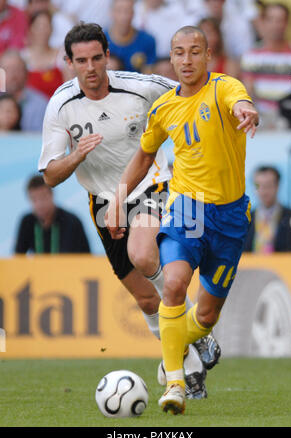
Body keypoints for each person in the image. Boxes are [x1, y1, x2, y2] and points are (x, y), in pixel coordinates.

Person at [38, 22, 220, 399]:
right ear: (68, 62)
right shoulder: (61, 105)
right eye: (81, 61)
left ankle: (194, 338)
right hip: (103, 203)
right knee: (146, 300)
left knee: (141, 252)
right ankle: (186, 364)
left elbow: (192, 93)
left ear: (107, 56)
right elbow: (51, 176)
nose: (90, 68)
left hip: (151, 184)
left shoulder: (140, 87)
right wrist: (76, 155)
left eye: (96, 58)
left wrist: (231, 106)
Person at [107, 25, 259, 414]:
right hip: (188, 208)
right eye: (179, 52)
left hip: (230, 216)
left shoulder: (224, 87)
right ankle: (176, 384)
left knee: (206, 315)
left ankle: (173, 351)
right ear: (171, 58)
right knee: (173, 284)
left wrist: (247, 110)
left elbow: (239, 100)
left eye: (195, 51)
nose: (187, 59)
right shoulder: (163, 108)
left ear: (208, 56)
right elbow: (143, 156)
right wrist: (117, 200)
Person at [241, 2, 291, 129]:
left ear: (287, 23)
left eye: (280, 20)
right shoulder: (251, 55)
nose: (276, 25)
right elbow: (248, 93)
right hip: (260, 118)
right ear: (263, 22)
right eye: (271, 19)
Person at [15, 175, 90, 254]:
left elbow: (86, 258)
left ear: (52, 195)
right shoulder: (27, 222)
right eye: (34, 199)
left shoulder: (72, 222)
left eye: (43, 197)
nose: (39, 204)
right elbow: (18, 258)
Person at [244, 166, 291, 253]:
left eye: (268, 185)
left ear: (277, 186)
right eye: (258, 186)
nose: (263, 190)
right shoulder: (245, 219)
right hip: (252, 266)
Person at [0, 49, 48, 131]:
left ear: (26, 73)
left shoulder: (41, 104)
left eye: (17, 70)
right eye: (7, 70)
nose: (13, 75)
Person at [105, 0, 157, 73]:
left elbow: (149, 75)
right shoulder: (100, 40)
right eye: (119, 11)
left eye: (128, 11)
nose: (124, 16)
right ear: (111, 13)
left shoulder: (148, 40)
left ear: (133, 13)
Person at [22, 11, 65, 98]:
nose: (43, 30)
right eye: (38, 26)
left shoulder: (62, 55)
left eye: (46, 26)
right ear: (30, 29)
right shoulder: (22, 57)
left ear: (52, 29)